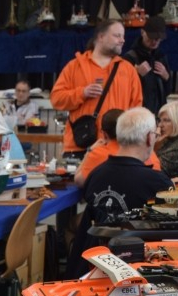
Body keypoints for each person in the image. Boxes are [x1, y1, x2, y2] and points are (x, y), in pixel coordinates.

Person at [68, 107, 172, 276]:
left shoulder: (95, 175)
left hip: (93, 268)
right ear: (149, 137)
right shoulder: (157, 183)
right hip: (139, 272)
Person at [50, 19, 142, 158]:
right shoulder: (74, 67)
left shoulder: (128, 70)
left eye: (123, 36)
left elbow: (136, 109)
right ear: (101, 37)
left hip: (117, 148)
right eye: (117, 35)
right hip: (80, 146)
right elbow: (56, 99)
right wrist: (82, 93)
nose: (122, 40)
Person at [74, 108, 162, 187]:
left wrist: (89, 150)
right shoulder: (148, 152)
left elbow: (79, 181)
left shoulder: (98, 153)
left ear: (104, 134)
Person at [123, 16, 170, 116]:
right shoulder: (130, 57)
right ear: (142, 32)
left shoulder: (161, 57)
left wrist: (166, 77)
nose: (154, 42)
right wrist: (136, 75)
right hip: (138, 114)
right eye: (151, 38)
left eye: (158, 39)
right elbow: (122, 89)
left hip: (159, 113)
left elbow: (167, 91)